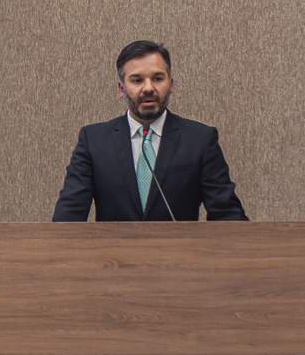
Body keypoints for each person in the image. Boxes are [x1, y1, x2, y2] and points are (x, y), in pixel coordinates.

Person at [53, 40, 248, 222]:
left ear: (170, 85)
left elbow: (227, 215)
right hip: (114, 257)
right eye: (137, 80)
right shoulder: (93, 141)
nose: (148, 88)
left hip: (179, 255)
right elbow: (68, 218)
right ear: (122, 89)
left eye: (157, 78)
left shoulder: (200, 140)